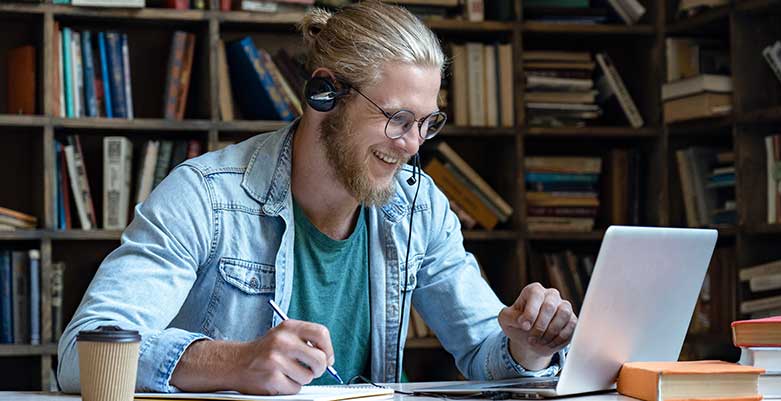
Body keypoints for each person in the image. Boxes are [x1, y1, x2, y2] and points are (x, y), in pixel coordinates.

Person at [57, 1, 577, 395]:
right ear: (325, 93)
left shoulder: (420, 207)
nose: (414, 146)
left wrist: (527, 349)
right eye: (397, 119)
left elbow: (485, 351)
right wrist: (235, 362)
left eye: (426, 124)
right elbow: (83, 353)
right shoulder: (204, 196)